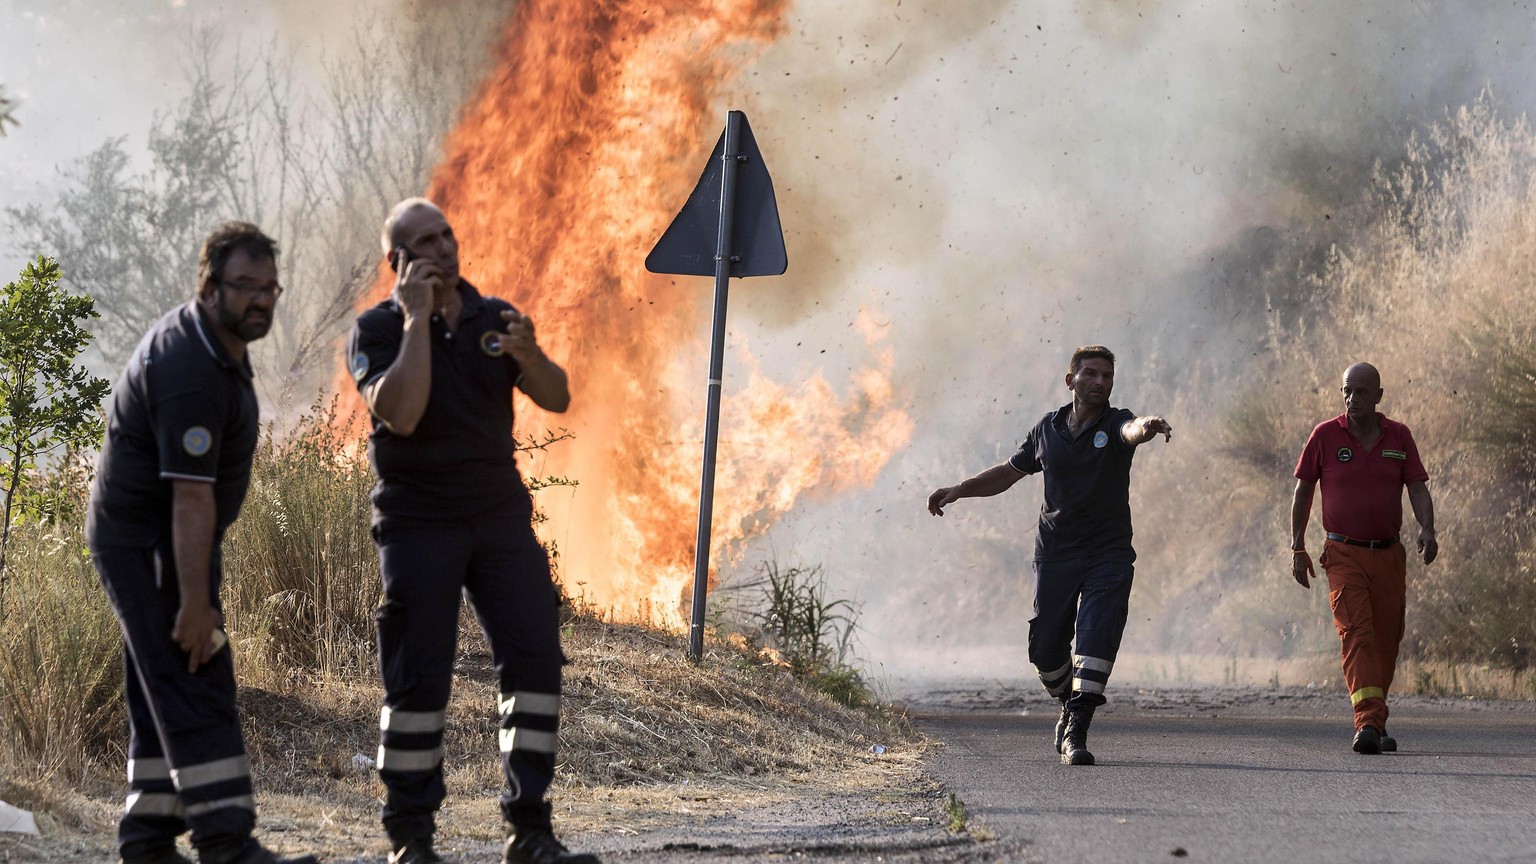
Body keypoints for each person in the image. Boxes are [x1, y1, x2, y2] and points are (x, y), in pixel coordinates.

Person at [346, 198, 594, 864]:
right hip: (418, 520)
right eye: (424, 243)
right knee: (419, 677)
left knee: (536, 658)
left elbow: (557, 395)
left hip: (499, 516)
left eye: (447, 236)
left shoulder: (495, 318)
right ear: (396, 263)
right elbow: (400, 412)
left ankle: (530, 829)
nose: (444, 249)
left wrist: (529, 353)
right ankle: (412, 837)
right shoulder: (375, 331)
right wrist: (417, 322)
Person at [87, 223, 318, 864]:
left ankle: (148, 842)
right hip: (151, 543)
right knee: (197, 671)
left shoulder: (214, 344)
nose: (262, 300)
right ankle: (227, 843)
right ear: (210, 286)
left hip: (170, 539)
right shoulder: (190, 367)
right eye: (247, 286)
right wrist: (194, 604)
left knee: (161, 680)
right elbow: (190, 498)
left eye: (270, 288)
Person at [927, 345, 1172, 766]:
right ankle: (1067, 702)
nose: (1100, 382)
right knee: (1044, 650)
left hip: (1107, 554)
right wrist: (959, 490)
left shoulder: (1115, 423)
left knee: (1095, 638)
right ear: (1070, 380)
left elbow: (1131, 430)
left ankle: (1077, 728)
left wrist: (1146, 426)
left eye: (1107, 376)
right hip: (1056, 553)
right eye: (1091, 374)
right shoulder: (1047, 429)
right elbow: (1008, 473)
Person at [1290, 361, 1437, 754]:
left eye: (1361, 392)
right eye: (1347, 391)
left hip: (1389, 555)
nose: (1352, 398)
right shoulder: (1324, 436)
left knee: (1387, 641)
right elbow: (1303, 493)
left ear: (1378, 397)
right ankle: (1368, 722)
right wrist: (1298, 547)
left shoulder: (1399, 436)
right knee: (1356, 634)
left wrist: (1427, 528)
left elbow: (1418, 488)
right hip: (1342, 553)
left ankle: (1376, 719)